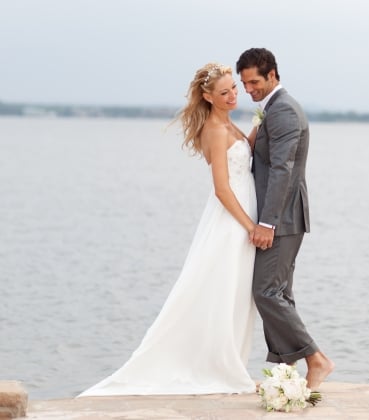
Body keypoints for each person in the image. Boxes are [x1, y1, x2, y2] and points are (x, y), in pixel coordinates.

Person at [78, 63, 259, 397]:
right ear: (207, 96)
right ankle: (215, 364)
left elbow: (240, 158)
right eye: (224, 92)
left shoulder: (227, 123)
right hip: (232, 220)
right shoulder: (215, 129)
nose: (233, 95)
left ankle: (227, 359)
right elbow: (222, 187)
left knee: (233, 292)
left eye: (234, 88)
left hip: (243, 212)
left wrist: (256, 132)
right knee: (219, 289)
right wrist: (250, 226)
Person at [236, 48, 334, 390]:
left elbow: (283, 169)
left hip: (283, 218)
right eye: (244, 83)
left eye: (255, 82)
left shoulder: (284, 111)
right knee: (278, 292)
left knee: (265, 291)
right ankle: (284, 372)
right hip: (281, 216)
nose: (249, 89)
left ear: (273, 75)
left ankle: (316, 359)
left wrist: (267, 222)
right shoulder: (272, 110)